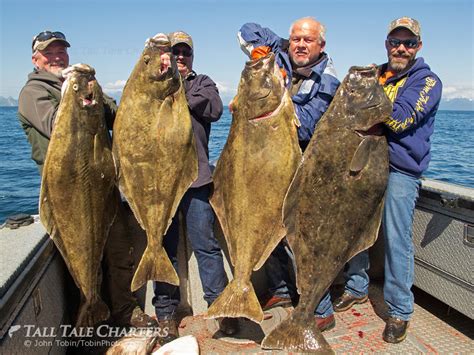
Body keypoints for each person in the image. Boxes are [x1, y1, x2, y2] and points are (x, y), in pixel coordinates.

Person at [17, 30, 157, 328]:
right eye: (49, 52)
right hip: (67, 194)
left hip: (103, 187)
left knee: (120, 251)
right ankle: (86, 315)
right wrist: (76, 94)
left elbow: (117, 118)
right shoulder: (32, 93)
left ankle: (125, 309)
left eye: (61, 51)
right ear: (36, 59)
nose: (57, 56)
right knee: (79, 261)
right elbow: (59, 124)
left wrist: (96, 93)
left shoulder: (84, 90)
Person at [332, 17, 442, 344]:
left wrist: (363, 93)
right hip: (365, 166)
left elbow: (402, 118)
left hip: (401, 170)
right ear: (387, 44)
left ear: (418, 47)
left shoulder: (427, 81)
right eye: (395, 41)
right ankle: (355, 285)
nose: (401, 48)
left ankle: (399, 309)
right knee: (354, 229)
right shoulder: (375, 74)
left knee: (396, 238)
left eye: (408, 43)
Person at [238, 17, 340, 331]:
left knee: (302, 242)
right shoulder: (283, 53)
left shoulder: (328, 81)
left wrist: (272, 94)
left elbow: (304, 124)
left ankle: (320, 310)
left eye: (307, 40)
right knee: (270, 233)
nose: (300, 45)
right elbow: (247, 29)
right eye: (295, 39)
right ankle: (281, 291)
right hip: (270, 167)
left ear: (321, 45)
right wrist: (270, 50)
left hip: (305, 171)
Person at [152, 31, 239, 344]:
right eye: (174, 53)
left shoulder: (202, 83)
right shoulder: (153, 85)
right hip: (162, 186)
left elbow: (215, 109)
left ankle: (219, 306)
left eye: (185, 53)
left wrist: (179, 98)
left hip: (198, 180)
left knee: (206, 246)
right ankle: (165, 314)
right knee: (163, 248)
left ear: (191, 57)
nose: (179, 58)